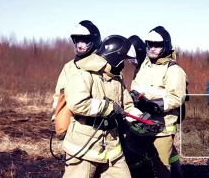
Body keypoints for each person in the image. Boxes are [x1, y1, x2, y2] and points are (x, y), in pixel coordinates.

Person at [62, 35, 144, 178]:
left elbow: (127, 106)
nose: (124, 65)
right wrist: (107, 107)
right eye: (123, 60)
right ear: (115, 57)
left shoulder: (117, 77)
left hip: (112, 147)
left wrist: (141, 119)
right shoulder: (84, 73)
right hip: (85, 146)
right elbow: (77, 103)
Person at [126, 27, 187, 178]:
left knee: (161, 167)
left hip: (162, 128)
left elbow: (177, 97)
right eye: (150, 44)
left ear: (165, 45)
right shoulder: (144, 66)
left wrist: (154, 105)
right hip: (140, 125)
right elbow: (136, 87)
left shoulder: (174, 70)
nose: (152, 48)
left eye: (157, 45)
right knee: (133, 158)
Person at [51, 20, 101, 120]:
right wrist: (56, 118)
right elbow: (59, 96)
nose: (80, 45)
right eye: (77, 41)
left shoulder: (103, 67)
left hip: (99, 125)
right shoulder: (69, 67)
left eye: (84, 41)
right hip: (72, 126)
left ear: (94, 41)